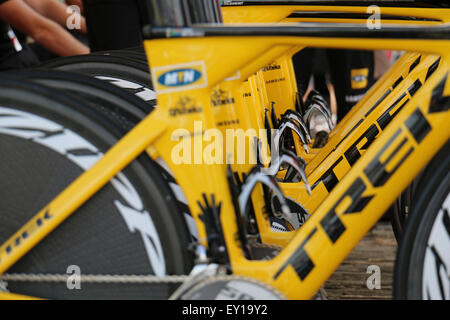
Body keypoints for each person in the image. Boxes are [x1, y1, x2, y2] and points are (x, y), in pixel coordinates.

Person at [0, 0, 89, 70]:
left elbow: (45, 5)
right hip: (8, 66)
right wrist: (93, 59)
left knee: (80, 38)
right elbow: (41, 31)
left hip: (20, 51)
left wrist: (91, 28)